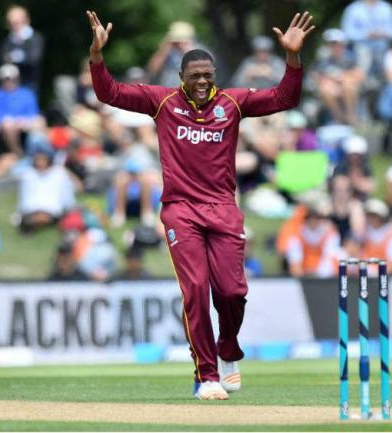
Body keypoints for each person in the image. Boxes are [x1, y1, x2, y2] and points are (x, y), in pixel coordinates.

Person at [86, 9, 314, 400]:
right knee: (195, 289)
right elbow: (110, 93)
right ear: (181, 78)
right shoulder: (162, 102)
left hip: (223, 208)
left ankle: (228, 350)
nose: (203, 81)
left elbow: (284, 97)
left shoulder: (233, 103)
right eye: (195, 76)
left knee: (231, 292)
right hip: (180, 210)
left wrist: (292, 57)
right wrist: (96, 56)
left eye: (208, 75)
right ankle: (206, 375)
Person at [0, 5, 44, 92]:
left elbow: (34, 59)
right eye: (11, 24)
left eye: (17, 23)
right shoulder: (7, 41)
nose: (14, 27)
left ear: (27, 21)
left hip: (30, 84)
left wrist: (13, 58)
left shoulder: (36, 39)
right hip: (9, 85)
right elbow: (3, 60)